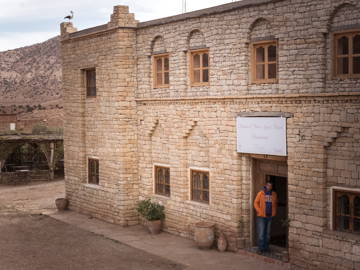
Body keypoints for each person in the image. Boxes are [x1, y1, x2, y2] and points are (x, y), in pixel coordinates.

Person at [254, 181, 277, 254]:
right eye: (268, 186)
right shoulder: (261, 193)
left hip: (269, 217)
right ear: (266, 186)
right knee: (261, 234)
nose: (269, 187)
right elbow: (255, 203)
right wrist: (259, 211)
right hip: (261, 217)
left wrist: (274, 212)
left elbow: (275, 204)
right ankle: (260, 249)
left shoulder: (274, 194)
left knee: (267, 234)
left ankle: (266, 248)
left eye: (271, 186)